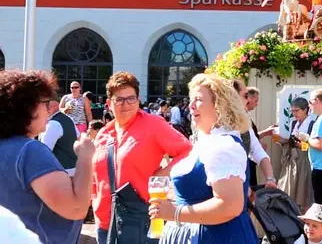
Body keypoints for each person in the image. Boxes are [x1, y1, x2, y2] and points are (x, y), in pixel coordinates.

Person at [150, 73, 258, 243]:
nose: (190, 106)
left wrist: (175, 213)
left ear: (219, 106)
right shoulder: (208, 141)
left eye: (198, 100)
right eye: (191, 99)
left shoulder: (223, 146)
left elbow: (229, 206)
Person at [91, 72, 193, 244]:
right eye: (119, 99)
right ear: (109, 103)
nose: (126, 104)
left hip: (138, 221)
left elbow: (188, 152)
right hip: (104, 224)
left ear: (138, 100)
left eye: (131, 98)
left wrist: (162, 174)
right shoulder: (103, 133)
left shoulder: (153, 124)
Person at [0, 70, 94, 244]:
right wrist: (85, 156)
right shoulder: (30, 151)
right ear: (27, 108)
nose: (50, 108)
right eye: (45, 103)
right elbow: (76, 208)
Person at [277, 97, 316, 212]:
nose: (294, 114)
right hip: (292, 160)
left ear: (305, 110)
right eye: (292, 111)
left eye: (297, 110)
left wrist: (302, 145)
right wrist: (281, 140)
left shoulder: (312, 124)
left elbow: (314, 145)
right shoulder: (294, 123)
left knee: (303, 193)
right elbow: (291, 140)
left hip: (304, 160)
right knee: (289, 191)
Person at [40, 97, 80, 176]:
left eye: (45, 105)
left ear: (53, 105)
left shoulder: (53, 124)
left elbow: (44, 150)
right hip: (72, 168)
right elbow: (78, 138)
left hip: (60, 171)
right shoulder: (69, 119)